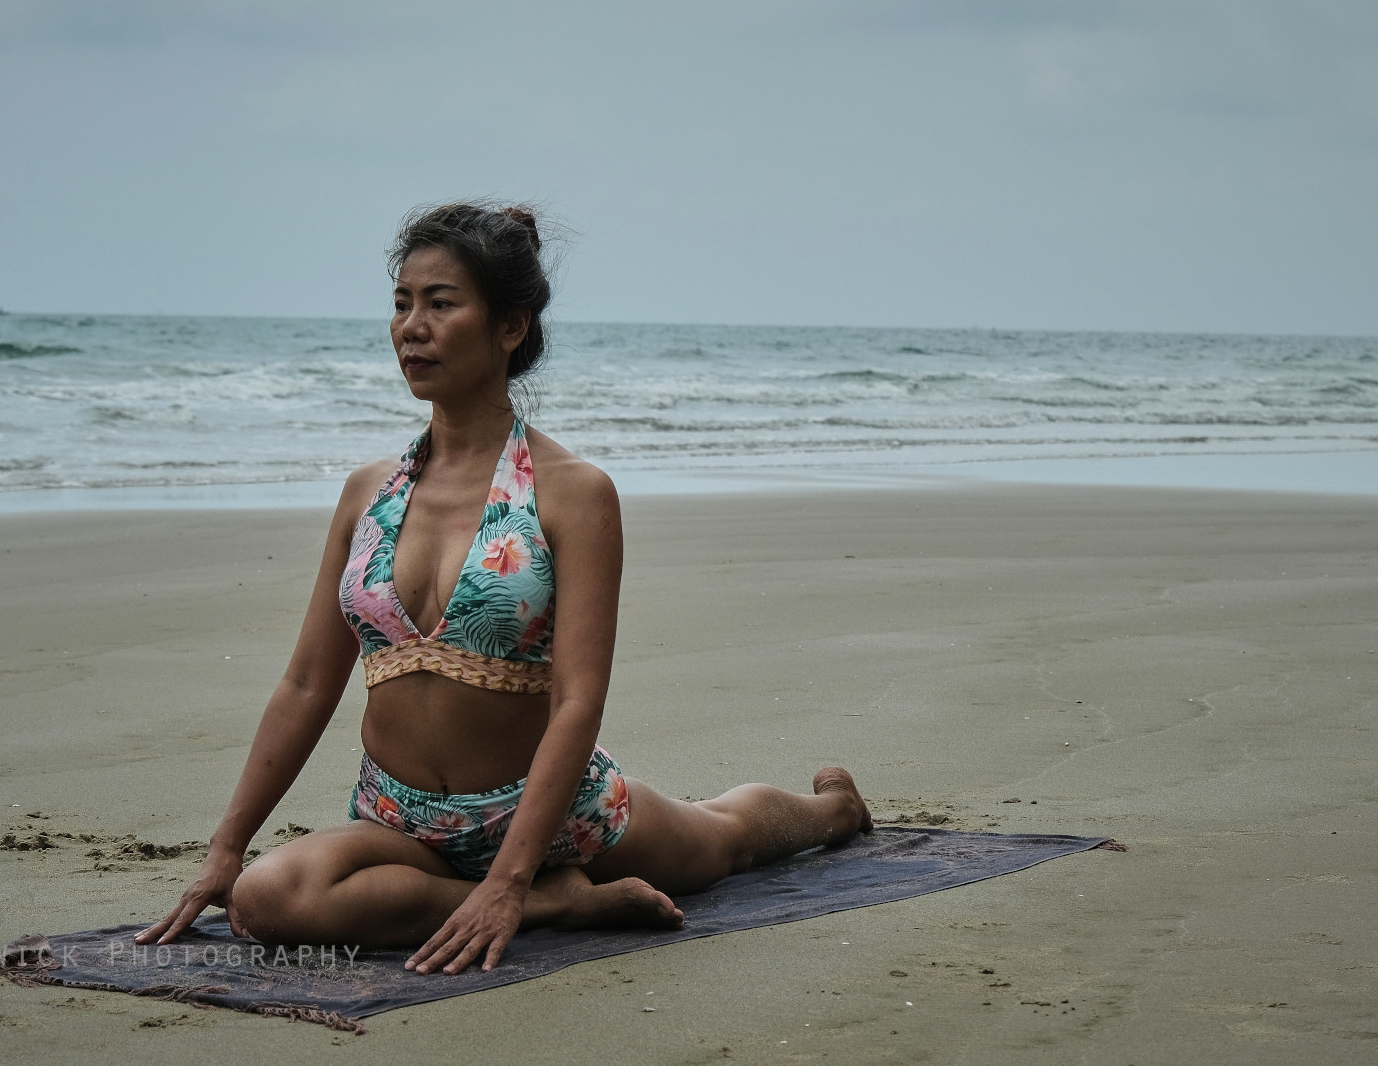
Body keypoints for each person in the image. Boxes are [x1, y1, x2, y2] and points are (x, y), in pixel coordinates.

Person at [137, 202, 872, 975]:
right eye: (401, 303)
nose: (411, 327)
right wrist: (226, 849)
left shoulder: (572, 493)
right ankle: (563, 903)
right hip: (401, 821)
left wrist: (511, 876)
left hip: (556, 821)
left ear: (509, 327)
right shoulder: (367, 496)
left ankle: (834, 810)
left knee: (724, 837)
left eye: (441, 303)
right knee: (267, 901)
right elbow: (306, 682)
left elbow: (578, 701)